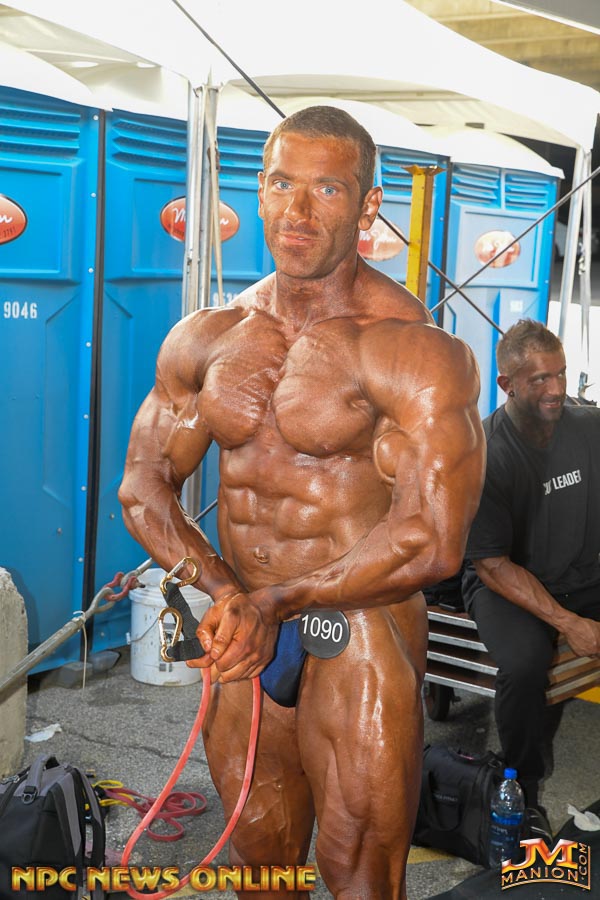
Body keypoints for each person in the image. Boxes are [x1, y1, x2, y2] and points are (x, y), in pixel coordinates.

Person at [119, 106, 485, 899]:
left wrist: (279, 601)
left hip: (355, 629)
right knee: (262, 866)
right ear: (259, 191)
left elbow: (432, 539)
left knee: (360, 876)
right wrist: (228, 592)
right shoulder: (209, 334)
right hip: (244, 627)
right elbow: (142, 488)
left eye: (328, 189)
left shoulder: (412, 345)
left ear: (368, 205)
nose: (300, 210)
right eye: (284, 184)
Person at [462, 318, 600, 842]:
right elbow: (492, 565)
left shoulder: (586, 426)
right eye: (540, 378)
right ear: (508, 384)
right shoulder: (486, 454)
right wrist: (570, 623)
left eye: (560, 374)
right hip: (506, 583)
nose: (556, 388)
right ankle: (521, 788)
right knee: (524, 664)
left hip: (580, 572)